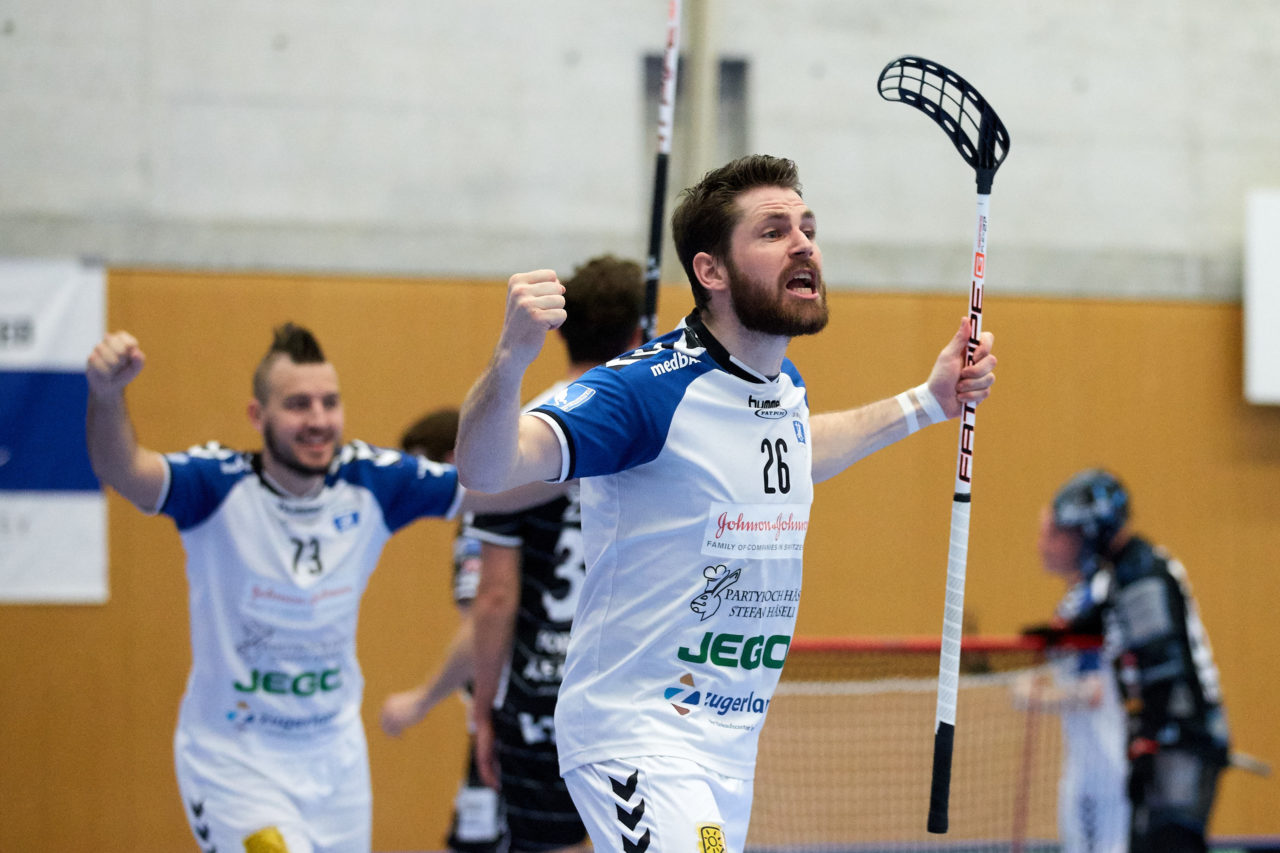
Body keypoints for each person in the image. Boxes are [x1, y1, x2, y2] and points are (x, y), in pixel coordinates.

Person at [453, 154, 998, 853]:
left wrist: (928, 402)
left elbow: (796, 450)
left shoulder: (780, 385)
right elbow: (485, 468)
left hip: (728, 743)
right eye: (773, 231)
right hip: (638, 734)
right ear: (711, 271)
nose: (803, 243)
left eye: (808, 226)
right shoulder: (646, 388)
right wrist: (509, 360)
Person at [85, 323, 547, 853]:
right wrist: (106, 393)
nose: (319, 420)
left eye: (329, 403)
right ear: (258, 417)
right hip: (236, 761)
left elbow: (496, 489)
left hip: (336, 764)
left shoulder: (371, 480)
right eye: (298, 405)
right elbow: (122, 468)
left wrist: (597, 461)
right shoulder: (215, 485)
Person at [465, 255, 645, 853]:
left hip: (541, 700)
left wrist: (485, 709)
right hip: (626, 693)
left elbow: (494, 598)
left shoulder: (520, 430)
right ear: (640, 335)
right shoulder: (645, 420)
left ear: (562, 329)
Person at [1038, 469, 1230, 853]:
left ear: (1094, 530)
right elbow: (1096, 627)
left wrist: (1150, 737)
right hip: (1166, 735)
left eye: (1073, 532)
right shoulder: (1118, 575)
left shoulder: (1142, 573)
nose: (1068, 543)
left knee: (1170, 843)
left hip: (1180, 735)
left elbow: (1164, 666)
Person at [380, 408, 508, 853]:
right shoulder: (533, 493)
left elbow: (485, 624)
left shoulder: (482, 513)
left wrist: (421, 700)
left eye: (421, 471)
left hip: (515, 714)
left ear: (453, 459)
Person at [1015, 506, 1130, 853]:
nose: (1040, 545)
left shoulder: (1092, 600)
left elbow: (1093, 691)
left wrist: (1037, 697)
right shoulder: (1071, 603)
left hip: (1105, 769)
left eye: (1051, 534)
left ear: (1078, 538)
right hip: (1082, 766)